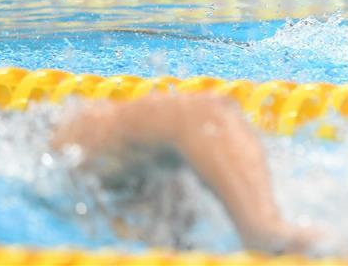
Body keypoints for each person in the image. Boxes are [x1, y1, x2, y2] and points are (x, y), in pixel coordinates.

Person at [51, 92, 317, 254]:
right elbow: (203, 115)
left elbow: (202, 115)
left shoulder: (69, 144)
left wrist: (266, 229)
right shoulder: (74, 146)